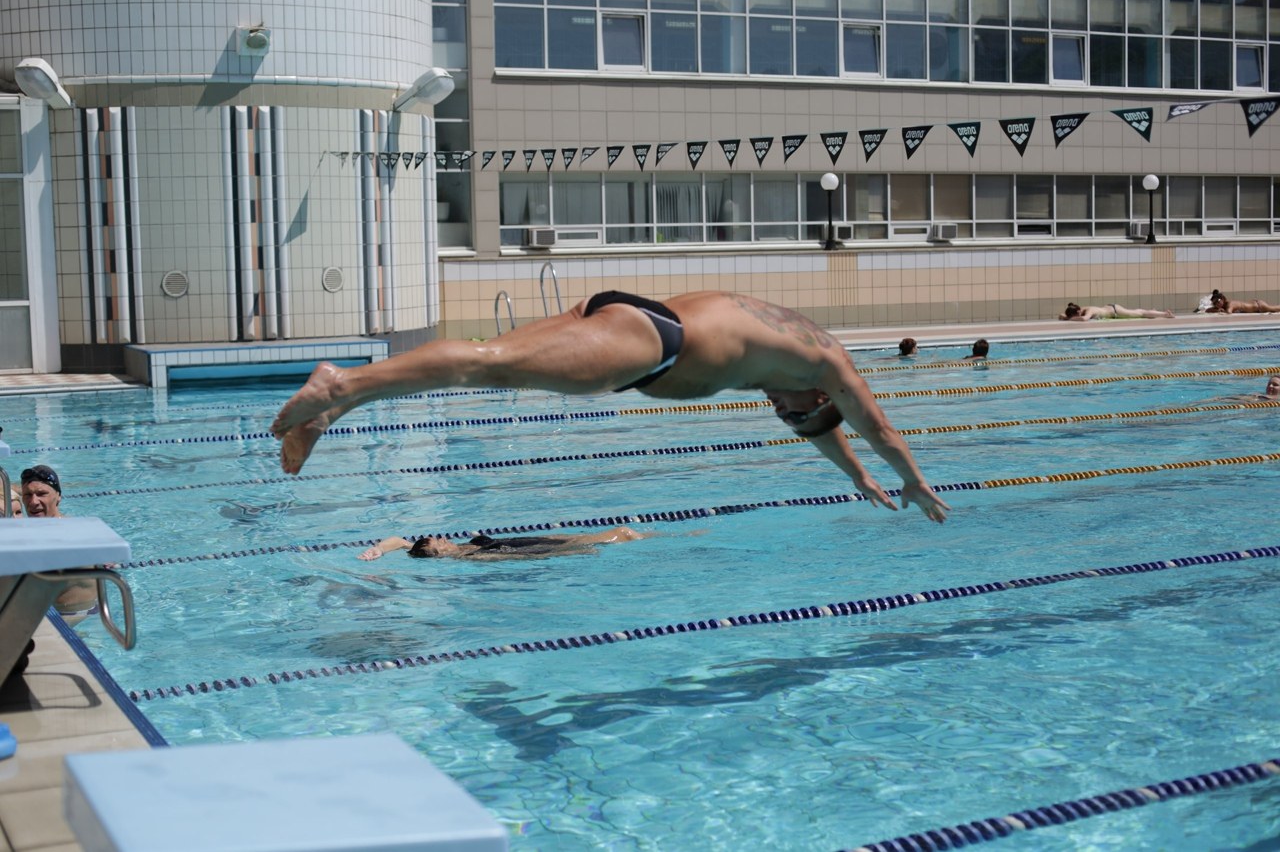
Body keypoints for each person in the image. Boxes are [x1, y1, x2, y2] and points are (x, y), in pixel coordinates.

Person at [272, 291, 950, 523]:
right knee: (490, 365)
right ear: (822, 396)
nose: (783, 408)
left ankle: (332, 413)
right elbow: (876, 426)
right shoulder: (827, 362)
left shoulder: (794, 356)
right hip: (651, 343)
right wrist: (910, 478)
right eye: (793, 410)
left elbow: (825, 429)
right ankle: (341, 384)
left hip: (631, 316)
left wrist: (855, 474)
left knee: (491, 365)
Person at [18, 465, 100, 623]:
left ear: (58, 496)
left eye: (42, 494)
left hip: (76, 615)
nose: (33, 502)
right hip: (58, 611)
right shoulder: (49, 528)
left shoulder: (65, 535)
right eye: (28, 495)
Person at [358, 525, 647, 561]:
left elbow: (398, 541)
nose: (444, 538)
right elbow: (516, 559)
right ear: (437, 553)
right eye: (440, 541)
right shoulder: (469, 558)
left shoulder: (464, 547)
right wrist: (571, 552)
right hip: (528, 549)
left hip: (519, 539)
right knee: (619, 532)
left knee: (619, 532)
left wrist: (378, 550)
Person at [1059, 302, 1174, 321]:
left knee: (1140, 313)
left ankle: (1165, 314)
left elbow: (1084, 319)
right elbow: (1061, 315)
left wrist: (1068, 318)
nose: (1077, 316)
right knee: (1138, 311)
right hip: (1111, 308)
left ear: (1078, 311)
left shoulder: (1089, 310)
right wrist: (1066, 316)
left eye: (1076, 315)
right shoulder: (1081, 309)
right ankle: (1152, 312)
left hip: (1115, 311)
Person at [1204, 289, 1280, 315]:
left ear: (1223, 299)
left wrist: (1218, 310)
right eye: (1214, 303)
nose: (1216, 304)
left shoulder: (1230, 304)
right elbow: (1207, 310)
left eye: (1218, 301)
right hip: (1254, 304)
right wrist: (1216, 309)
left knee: (1275, 308)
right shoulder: (1221, 306)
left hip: (1259, 306)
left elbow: (1228, 312)